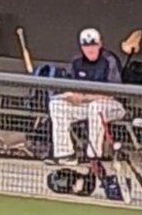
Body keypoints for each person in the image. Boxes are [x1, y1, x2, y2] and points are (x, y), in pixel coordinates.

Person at [48, 26, 127, 164]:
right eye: (86, 46)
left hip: (112, 107)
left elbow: (112, 94)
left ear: (100, 44)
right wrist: (71, 95)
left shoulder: (109, 60)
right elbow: (67, 85)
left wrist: (85, 97)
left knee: (96, 107)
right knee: (56, 104)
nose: (90, 49)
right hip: (84, 105)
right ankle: (65, 154)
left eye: (93, 45)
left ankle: (94, 156)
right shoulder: (77, 61)